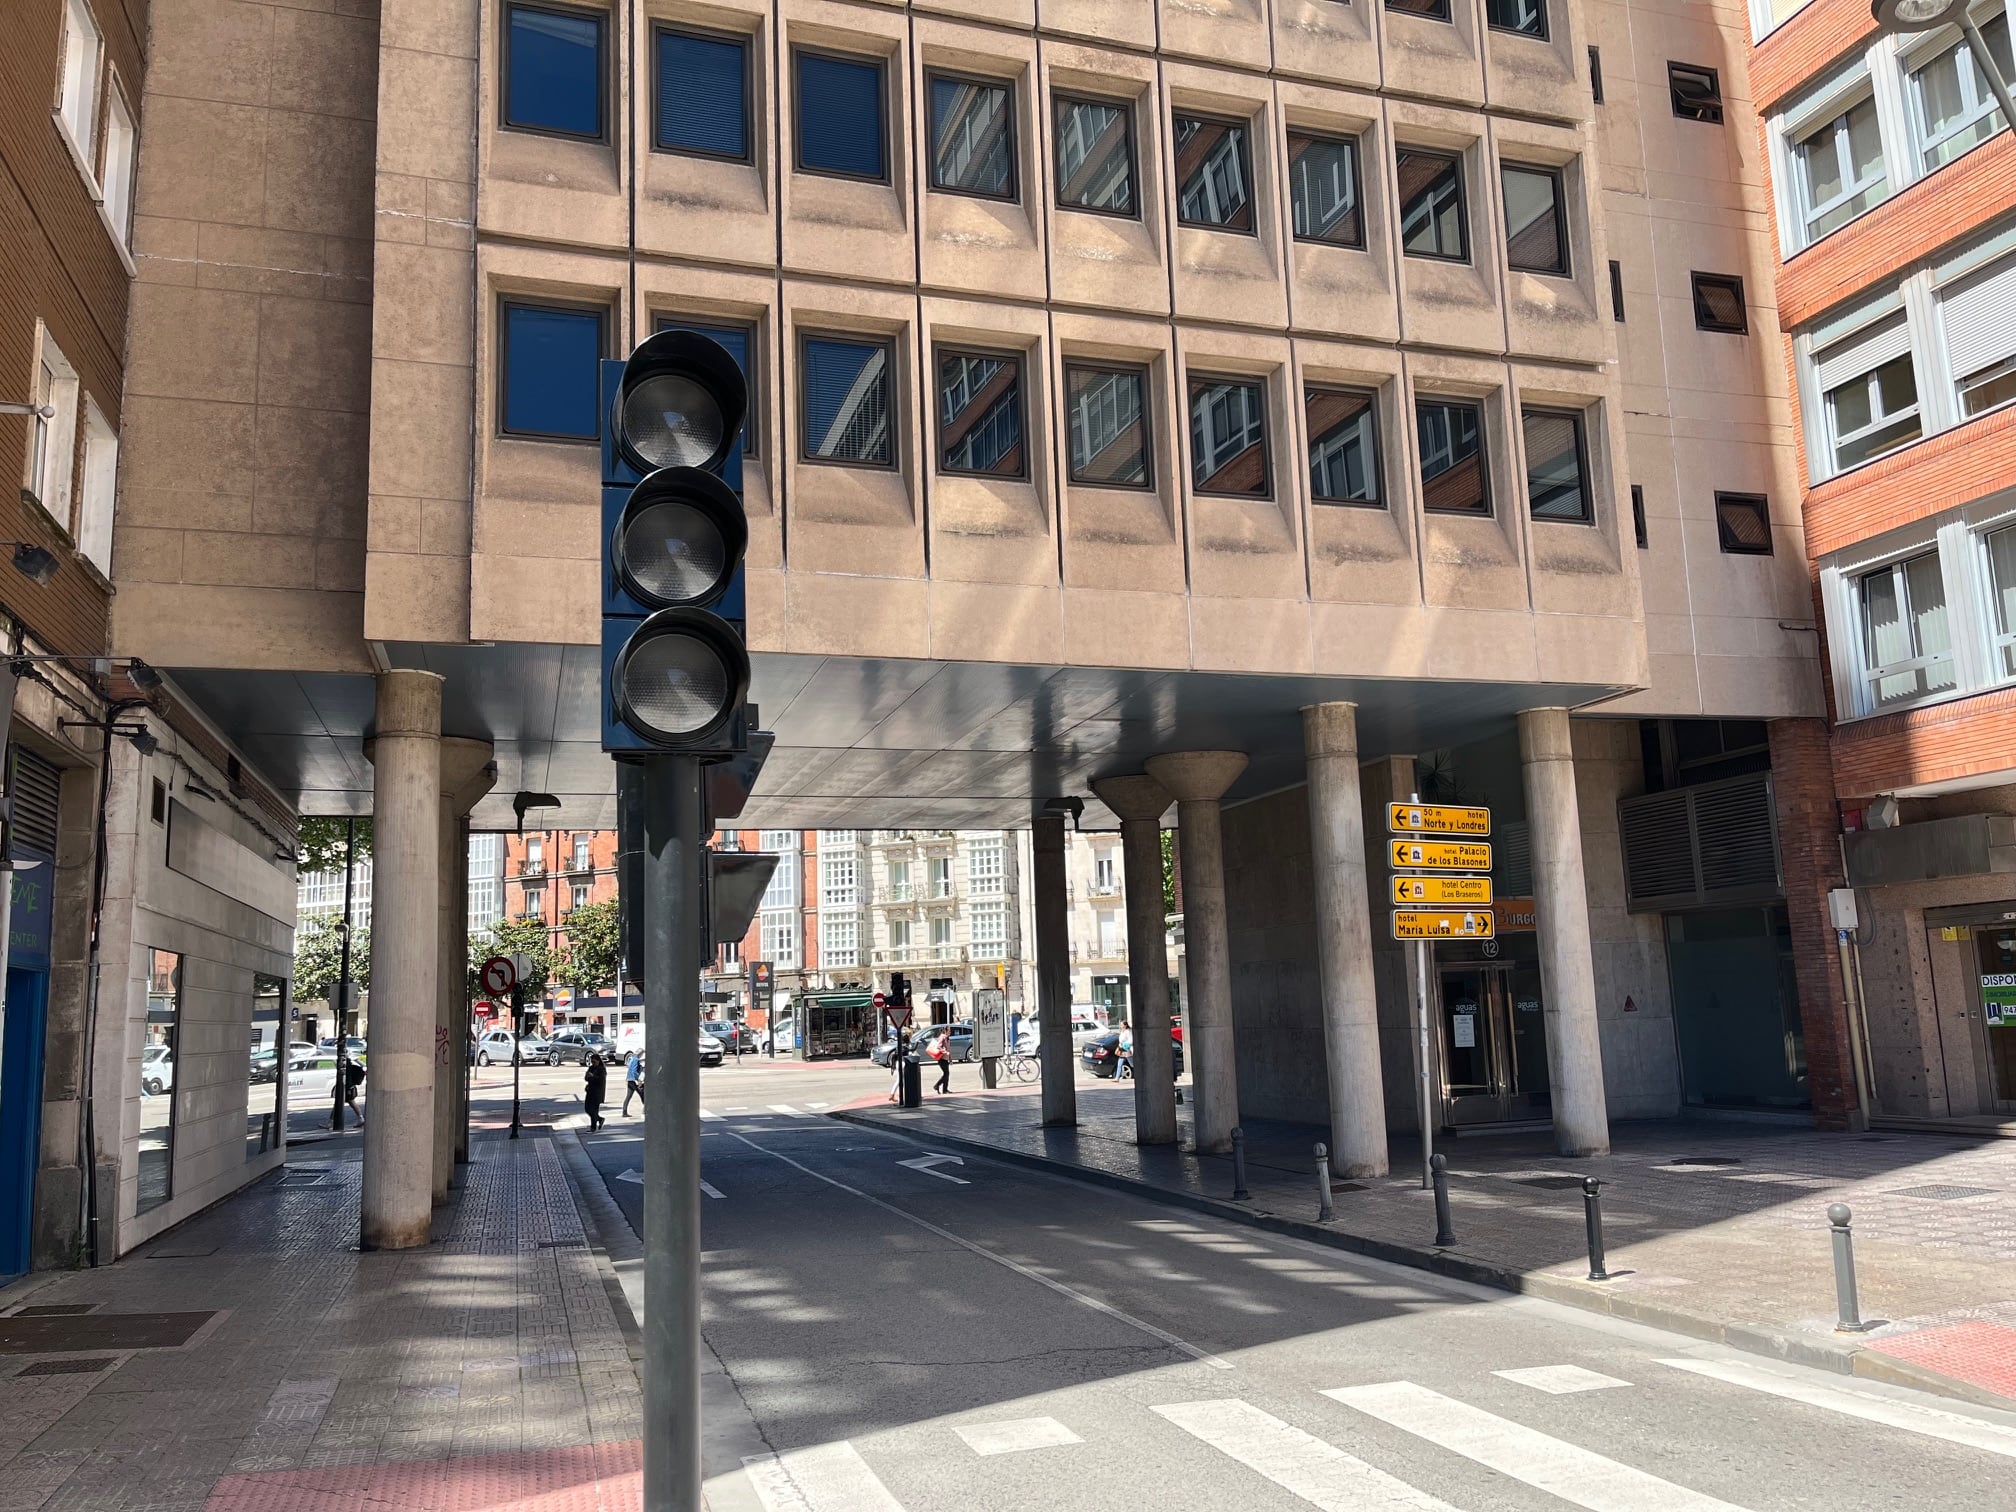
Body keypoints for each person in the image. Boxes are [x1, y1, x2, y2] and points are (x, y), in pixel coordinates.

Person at [583, 1053, 607, 1131]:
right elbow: (586, 1078)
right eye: (592, 1062)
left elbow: (600, 1080)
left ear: (598, 1061)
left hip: (597, 1092)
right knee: (587, 1109)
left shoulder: (601, 1069)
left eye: (594, 1062)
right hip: (590, 1090)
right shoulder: (591, 1068)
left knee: (593, 1109)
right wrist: (587, 1076)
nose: (593, 1063)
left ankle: (593, 1127)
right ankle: (599, 1119)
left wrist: (592, 1076)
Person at [342, 1058, 366, 1126]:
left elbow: (348, 1078)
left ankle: (361, 1118)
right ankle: (361, 1118)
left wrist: (349, 1088)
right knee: (351, 1103)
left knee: (342, 1103)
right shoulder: (351, 1067)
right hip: (350, 1087)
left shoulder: (348, 1069)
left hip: (348, 1088)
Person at [929, 1026, 952, 1095]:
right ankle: (937, 1086)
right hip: (941, 1058)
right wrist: (945, 1052)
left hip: (945, 1058)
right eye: (949, 1030)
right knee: (946, 1074)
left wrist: (950, 1059)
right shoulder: (942, 1037)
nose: (950, 1032)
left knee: (946, 1074)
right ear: (945, 1031)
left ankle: (944, 1089)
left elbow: (948, 1049)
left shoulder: (947, 1038)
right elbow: (938, 1046)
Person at [622, 1050, 644, 1117]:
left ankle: (624, 1112)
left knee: (628, 1096)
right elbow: (634, 1070)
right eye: (641, 1054)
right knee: (642, 1094)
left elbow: (629, 1069)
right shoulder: (636, 1060)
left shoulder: (632, 1059)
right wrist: (637, 1079)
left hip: (629, 1080)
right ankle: (645, 1111)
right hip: (633, 1080)